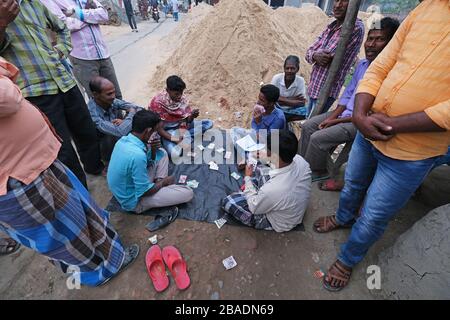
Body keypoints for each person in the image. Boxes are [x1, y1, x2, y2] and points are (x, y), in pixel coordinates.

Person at [314, 0, 450, 292]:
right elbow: (382, 65)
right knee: (352, 184)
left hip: (411, 152)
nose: (373, 42)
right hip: (367, 127)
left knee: (375, 213)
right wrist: (361, 115)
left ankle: (348, 258)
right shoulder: (428, 8)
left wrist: (391, 124)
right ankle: (342, 217)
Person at [0, 57, 138, 286]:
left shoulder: (112, 104)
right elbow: (6, 98)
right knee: (64, 237)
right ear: (95, 96)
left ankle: (111, 257)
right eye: (109, 94)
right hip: (18, 180)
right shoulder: (95, 112)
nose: (114, 98)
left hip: (37, 164)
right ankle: (99, 273)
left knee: (79, 216)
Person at [1, 0, 104, 187]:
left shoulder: (34, 4)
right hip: (35, 91)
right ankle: (81, 195)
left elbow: (62, 27)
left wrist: (62, 50)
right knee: (62, 149)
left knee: (86, 129)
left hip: (64, 80)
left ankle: (94, 167)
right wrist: (2, 22)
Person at [299, 17, 400, 183]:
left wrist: (335, 121)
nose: (371, 44)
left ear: (391, 44)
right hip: (345, 114)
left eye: (380, 39)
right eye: (370, 38)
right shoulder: (362, 65)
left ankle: (317, 171)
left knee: (318, 138)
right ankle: (303, 165)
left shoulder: (391, 74)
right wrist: (333, 117)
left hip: (359, 122)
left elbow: (367, 114)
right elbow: (348, 94)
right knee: (308, 126)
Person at [222, 130, 312, 232]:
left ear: (274, 155)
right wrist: (264, 156)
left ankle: (255, 219)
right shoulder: (301, 161)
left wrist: (247, 177)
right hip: (288, 203)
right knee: (260, 169)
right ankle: (255, 191)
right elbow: (274, 161)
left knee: (229, 202)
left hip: (279, 222)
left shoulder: (273, 190)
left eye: (267, 149)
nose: (264, 149)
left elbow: (254, 208)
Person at [107, 110, 194, 213]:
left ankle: (157, 185)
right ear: (148, 131)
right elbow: (144, 192)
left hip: (129, 185)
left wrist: (153, 150)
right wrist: (163, 182)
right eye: (155, 131)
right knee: (188, 193)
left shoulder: (124, 140)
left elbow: (146, 163)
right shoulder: (137, 155)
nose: (157, 134)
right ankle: (159, 185)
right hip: (134, 201)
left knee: (161, 152)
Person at [41, 0, 124, 99]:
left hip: (102, 53)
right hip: (82, 58)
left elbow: (104, 15)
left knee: (116, 96)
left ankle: (120, 115)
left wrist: (76, 13)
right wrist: (92, 17)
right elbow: (63, 24)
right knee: (98, 100)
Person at [305, 0, 364, 117]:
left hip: (326, 91)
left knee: (311, 127)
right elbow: (308, 53)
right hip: (314, 87)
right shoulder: (331, 26)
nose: (337, 5)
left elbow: (328, 56)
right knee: (308, 122)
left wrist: (315, 54)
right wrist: (315, 55)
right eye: (336, 0)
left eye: (344, 1)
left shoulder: (355, 27)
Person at [149, 75, 213, 158]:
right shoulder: (158, 103)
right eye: (176, 94)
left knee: (209, 123)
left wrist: (192, 116)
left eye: (181, 93)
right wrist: (177, 140)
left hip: (181, 126)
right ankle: (186, 138)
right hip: (167, 131)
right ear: (168, 90)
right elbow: (159, 129)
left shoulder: (182, 99)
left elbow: (186, 120)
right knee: (175, 153)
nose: (179, 96)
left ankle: (187, 136)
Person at [88, 76, 143, 167]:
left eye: (114, 92)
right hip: (107, 149)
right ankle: (109, 162)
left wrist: (125, 120)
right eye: (109, 94)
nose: (113, 96)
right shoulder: (93, 114)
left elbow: (139, 108)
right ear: (96, 94)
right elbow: (120, 131)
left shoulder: (111, 100)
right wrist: (130, 115)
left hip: (119, 141)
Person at [271, 55, 307, 121]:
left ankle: (283, 119)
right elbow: (271, 98)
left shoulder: (300, 81)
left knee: (307, 112)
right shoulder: (277, 78)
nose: (289, 71)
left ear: (297, 69)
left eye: (292, 68)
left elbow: (302, 103)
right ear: (284, 69)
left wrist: (280, 99)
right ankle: (283, 119)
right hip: (276, 107)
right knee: (269, 110)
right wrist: (293, 99)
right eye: (287, 68)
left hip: (291, 109)